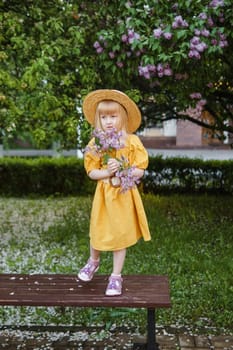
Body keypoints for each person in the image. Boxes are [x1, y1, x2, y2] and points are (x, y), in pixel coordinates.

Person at [78, 89, 151, 296]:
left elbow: (141, 170)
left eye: (113, 116)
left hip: (123, 195)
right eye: (103, 117)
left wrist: (123, 169)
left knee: (120, 234)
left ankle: (116, 277)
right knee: (98, 228)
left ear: (123, 117)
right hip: (104, 195)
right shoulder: (97, 143)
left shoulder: (132, 141)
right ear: (98, 119)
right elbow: (91, 171)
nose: (108, 121)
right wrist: (105, 172)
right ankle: (93, 261)